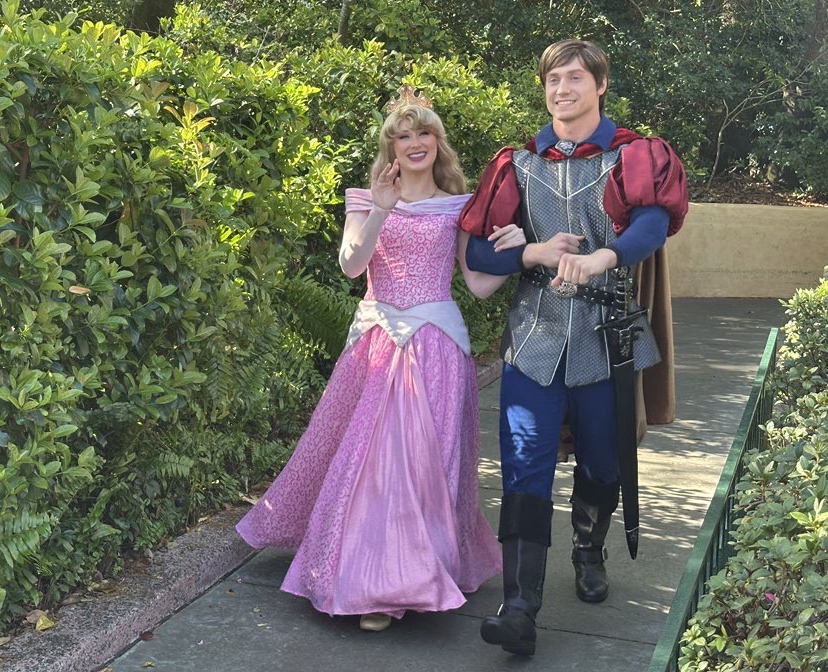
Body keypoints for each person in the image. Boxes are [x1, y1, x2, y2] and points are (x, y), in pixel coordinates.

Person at [236, 86, 526, 632]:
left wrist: (514, 253)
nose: (415, 143)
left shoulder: (460, 206)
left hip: (438, 347)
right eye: (403, 135)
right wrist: (381, 209)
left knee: (423, 467)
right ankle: (373, 583)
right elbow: (351, 265)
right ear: (390, 147)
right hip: (376, 344)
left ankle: (417, 573)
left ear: (438, 142)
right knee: (373, 464)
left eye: (424, 133)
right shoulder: (365, 199)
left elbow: (478, 285)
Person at [458, 39, 689, 656]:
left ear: (600, 85)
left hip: (606, 336)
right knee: (523, 464)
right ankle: (519, 606)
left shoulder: (635, 154)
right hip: (533, 339)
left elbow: (653, 224)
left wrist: (603, 257)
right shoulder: (515, 164)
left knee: (603, 461)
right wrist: (531, 252)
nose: (562, 89)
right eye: (553, 79)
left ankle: (589, 551)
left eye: (575, 78)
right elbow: (478, 250)